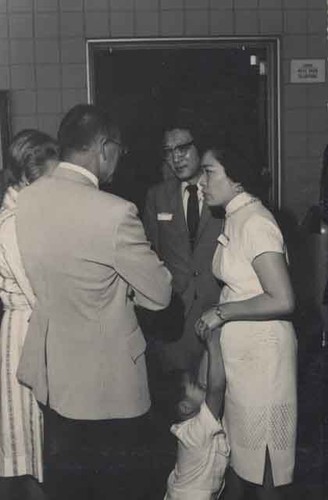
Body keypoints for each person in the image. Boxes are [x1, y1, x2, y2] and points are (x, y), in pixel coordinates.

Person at [15, 104, 172, 500]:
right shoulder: (116, 213)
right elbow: (160, 294)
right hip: (110, 388)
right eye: (120, 150)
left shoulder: (27, 200)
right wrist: (121, 283)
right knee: (121, 487)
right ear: (104, 147)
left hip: (55, 377)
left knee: (70, 486)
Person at [195, 147, 297, 500]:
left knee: (265, 466)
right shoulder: (235, 217)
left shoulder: (256, 222)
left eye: (209, 172)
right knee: (241, 462)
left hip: (263, 363)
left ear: (236, 179)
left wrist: (222, 313)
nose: (200, 181)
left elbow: (282, 298)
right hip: (242, 359)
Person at [143, 124, 223, 414]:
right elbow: (151, 256)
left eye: (183, 148)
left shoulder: (220, 193)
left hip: (218, 317)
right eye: (168, 151)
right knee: (181, 411)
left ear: (199, 148)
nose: (176, 158)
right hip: (175, 321)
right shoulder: (157, 196)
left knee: (219, 408)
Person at [0, 129, 59, 500]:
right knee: (28, 445)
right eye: (49, 180)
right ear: (25, 175)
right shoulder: (11, 223)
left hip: (37, 328)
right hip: (24, 333)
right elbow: (39, 291)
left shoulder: (28, 214)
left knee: (41, 442)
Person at [164, 325, 229, 500]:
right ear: (185, 407)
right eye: (195, 385)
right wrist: (213, 343)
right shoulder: (196, 431)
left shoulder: (191, 426)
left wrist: (209, 348)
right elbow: (215, 388)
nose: (201, 384)